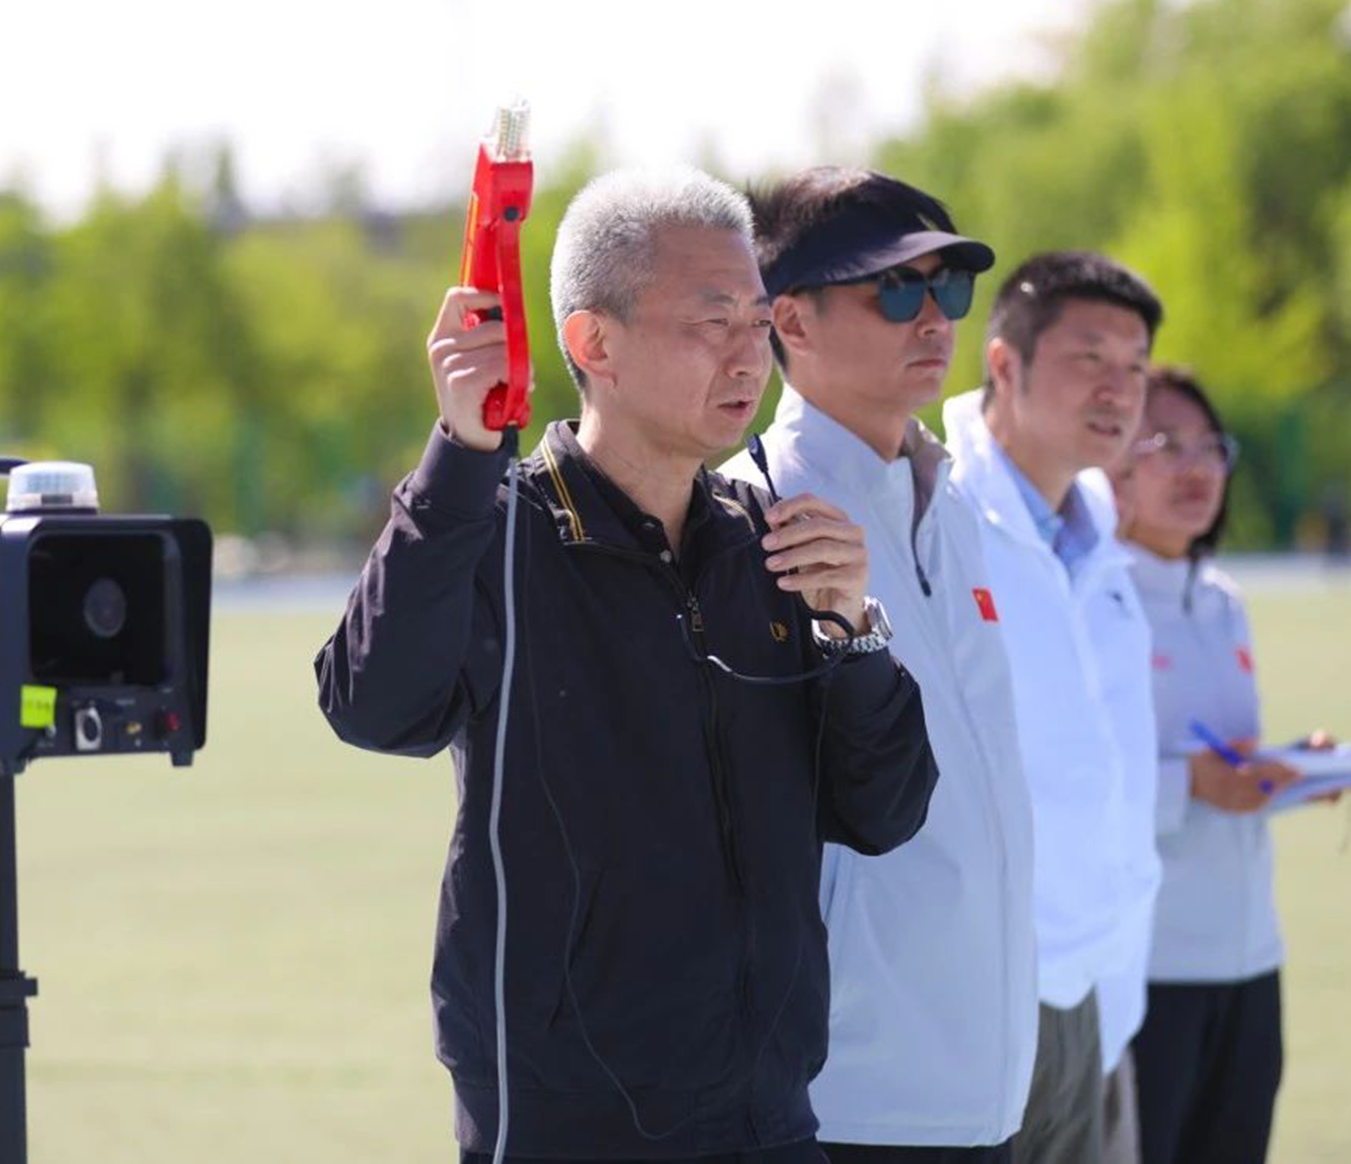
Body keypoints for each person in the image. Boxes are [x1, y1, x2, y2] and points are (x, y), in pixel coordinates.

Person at [312, 167, 937, 1164]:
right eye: (711, 322)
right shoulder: (496, 531)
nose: (749, 355)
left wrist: (853, 632)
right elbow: (373, 706)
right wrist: (460, 454)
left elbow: (885, 811)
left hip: (772, 1124)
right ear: (593, 342)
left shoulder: (773, 543)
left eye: (755, 322)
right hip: (565, 1131)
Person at [721, 168, 1038, 1161]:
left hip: (986, 1082)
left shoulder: (950, 499)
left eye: (948, 287)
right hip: (844, 1096)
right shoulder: (747, 511)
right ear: (790, 320)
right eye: (895, 289)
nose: (933, 317)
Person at [941, 252, 1165, 1164]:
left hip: (1101, 991)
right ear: (1004, 363)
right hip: (984, 999)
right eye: (1089, 359)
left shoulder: (1098, 523)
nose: (1119, 390)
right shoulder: (938, 510)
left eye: (1136, 367)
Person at [1109, 366, 1304, 1164]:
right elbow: (1072, 783)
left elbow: (1225, 756)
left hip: (1251, 958)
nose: (1196, 468)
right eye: (1167, 444)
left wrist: (1294, 768)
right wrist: (1190, 782)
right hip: (1149, 967)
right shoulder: (1094, 594)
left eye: (1210, 446)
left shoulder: (1224, 597)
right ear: (1111, 463)